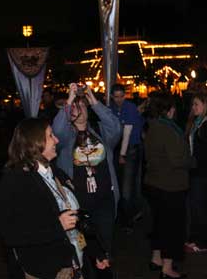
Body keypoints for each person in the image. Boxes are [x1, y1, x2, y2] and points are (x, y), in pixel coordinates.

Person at [0, 118, 110, 278]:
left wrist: (96, 251)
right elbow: (11, 234)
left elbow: (77, 217)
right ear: (35, 142)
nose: (57, 140)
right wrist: (57, 225)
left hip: (74, 263)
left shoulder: (55, 172)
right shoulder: (15, 180)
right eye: (51, 136)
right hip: (45, 270)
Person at [52, 83, 121, 271]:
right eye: (76, 105)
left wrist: (94, 101)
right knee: (83, 254)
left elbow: (116, 128)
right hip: (79, 205)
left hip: (104, 201)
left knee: (104, 253)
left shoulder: (100, 132)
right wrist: (69, 100)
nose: (79, 108)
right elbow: (57, 130)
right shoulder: (65, 139)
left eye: (83, 105)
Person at [143, 91, 191, 278]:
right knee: (172, 227)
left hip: (153, 182)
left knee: (159, 224)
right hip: (170, 185)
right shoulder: (169, 129)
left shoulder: (152, 127)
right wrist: (192, 161)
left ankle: (156, 259)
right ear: (170, 111)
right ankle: (167, 268)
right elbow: (178, 159)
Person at [183, 92, 207, 253]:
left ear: (205, 105)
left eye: (196, 104)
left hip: (203, 172)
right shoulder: (195, 123)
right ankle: (194, 237)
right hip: (194, 170)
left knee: (200, 206)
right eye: (193, 105)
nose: (193, 107)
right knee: (194, 205)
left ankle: (202, 241)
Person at [109, 83, 145, 232]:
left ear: (125, 95)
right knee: (123, 183)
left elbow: (127, 133)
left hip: (131, 148)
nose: (119, 99)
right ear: (112, 96)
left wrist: (122, 154)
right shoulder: (112, 108)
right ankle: (129, 214)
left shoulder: (129, 108)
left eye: (121, 96)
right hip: (120, 148)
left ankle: (128, 219)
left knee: (127, 186)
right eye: (116, 97)